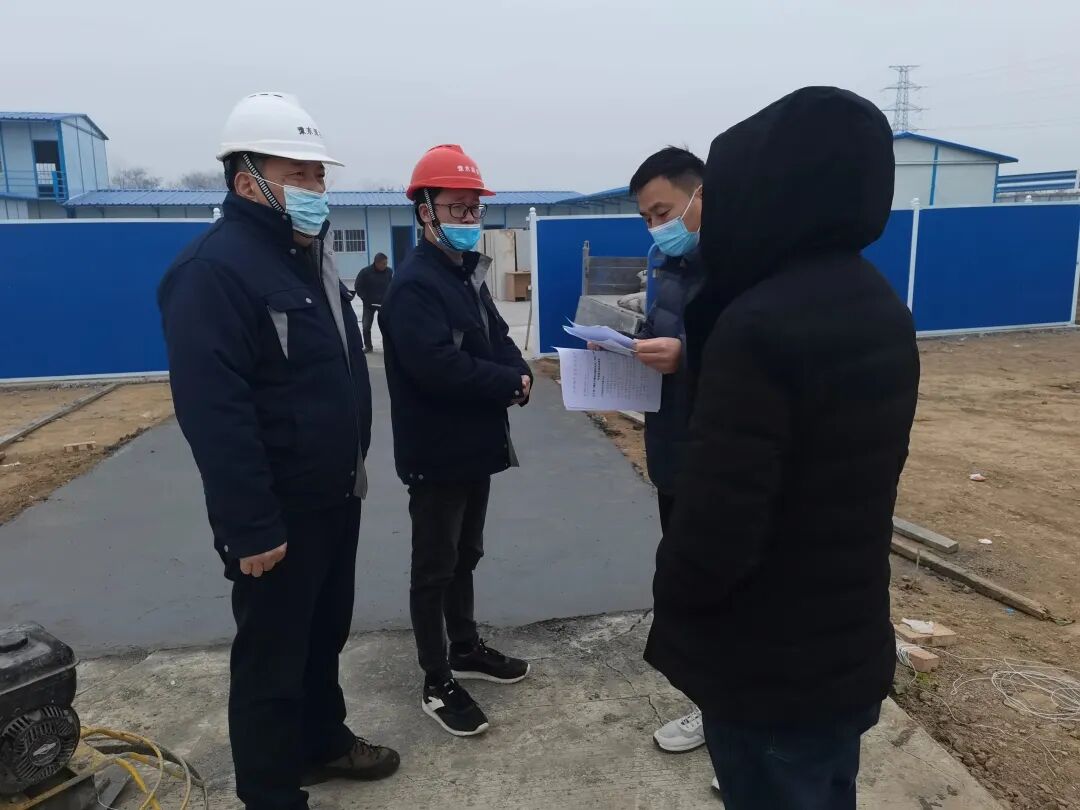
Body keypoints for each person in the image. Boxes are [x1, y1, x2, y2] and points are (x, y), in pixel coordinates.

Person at [645, 86, 920, 810]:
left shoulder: (758, 324)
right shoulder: (880, 306)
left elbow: (718, 527)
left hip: (767, 659)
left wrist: (675, 598)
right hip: (843, 640)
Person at [158, 92, 400, 810]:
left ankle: (321, 741)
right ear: (247, 182)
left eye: (320, 175)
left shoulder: (306, 260)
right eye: (299, 174)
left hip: (334, 493)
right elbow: (214, 411)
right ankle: (270, 792)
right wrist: (250, 524)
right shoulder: (212, 270)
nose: (316, 187)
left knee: (323, 634)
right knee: (272, 655)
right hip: (277, 512)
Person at [380, 144, 533, 738]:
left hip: (475, 446)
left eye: (474, 209)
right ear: (426, 212)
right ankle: (436, 677)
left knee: (466, 554)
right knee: (434, 567)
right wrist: (507, 382)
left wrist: (518, 372)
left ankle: (465, 647)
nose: (470, 219)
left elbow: (498, 338)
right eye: (457, 208)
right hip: (436, 451)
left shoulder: (466, 275)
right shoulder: (414, 286)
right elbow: (436, 367)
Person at [621, 147, 710, 757]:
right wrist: (631, 346)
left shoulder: (738, 268)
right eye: (648, 218)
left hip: (718, 459)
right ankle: (712, 705)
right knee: (686, 585)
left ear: (701, 196)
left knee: (727, 590)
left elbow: (755, 354)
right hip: (674, 451)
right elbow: (665, 333)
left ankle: (739, 724)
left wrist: (687, 356)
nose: (657, 227)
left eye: (664, 211)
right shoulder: (672, 266)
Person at [354, 252, 393, 353]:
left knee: (387, 326)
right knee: (366, 326)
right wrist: (364, 298)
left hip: (384, 304)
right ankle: (368, 346)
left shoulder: (389, 271)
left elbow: (392, 285)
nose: (385, 265)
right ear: (377, 263)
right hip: (369, 304)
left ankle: (388, 346)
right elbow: (358, 286)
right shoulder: (365, 272)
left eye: (386, 263)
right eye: (384, 263)